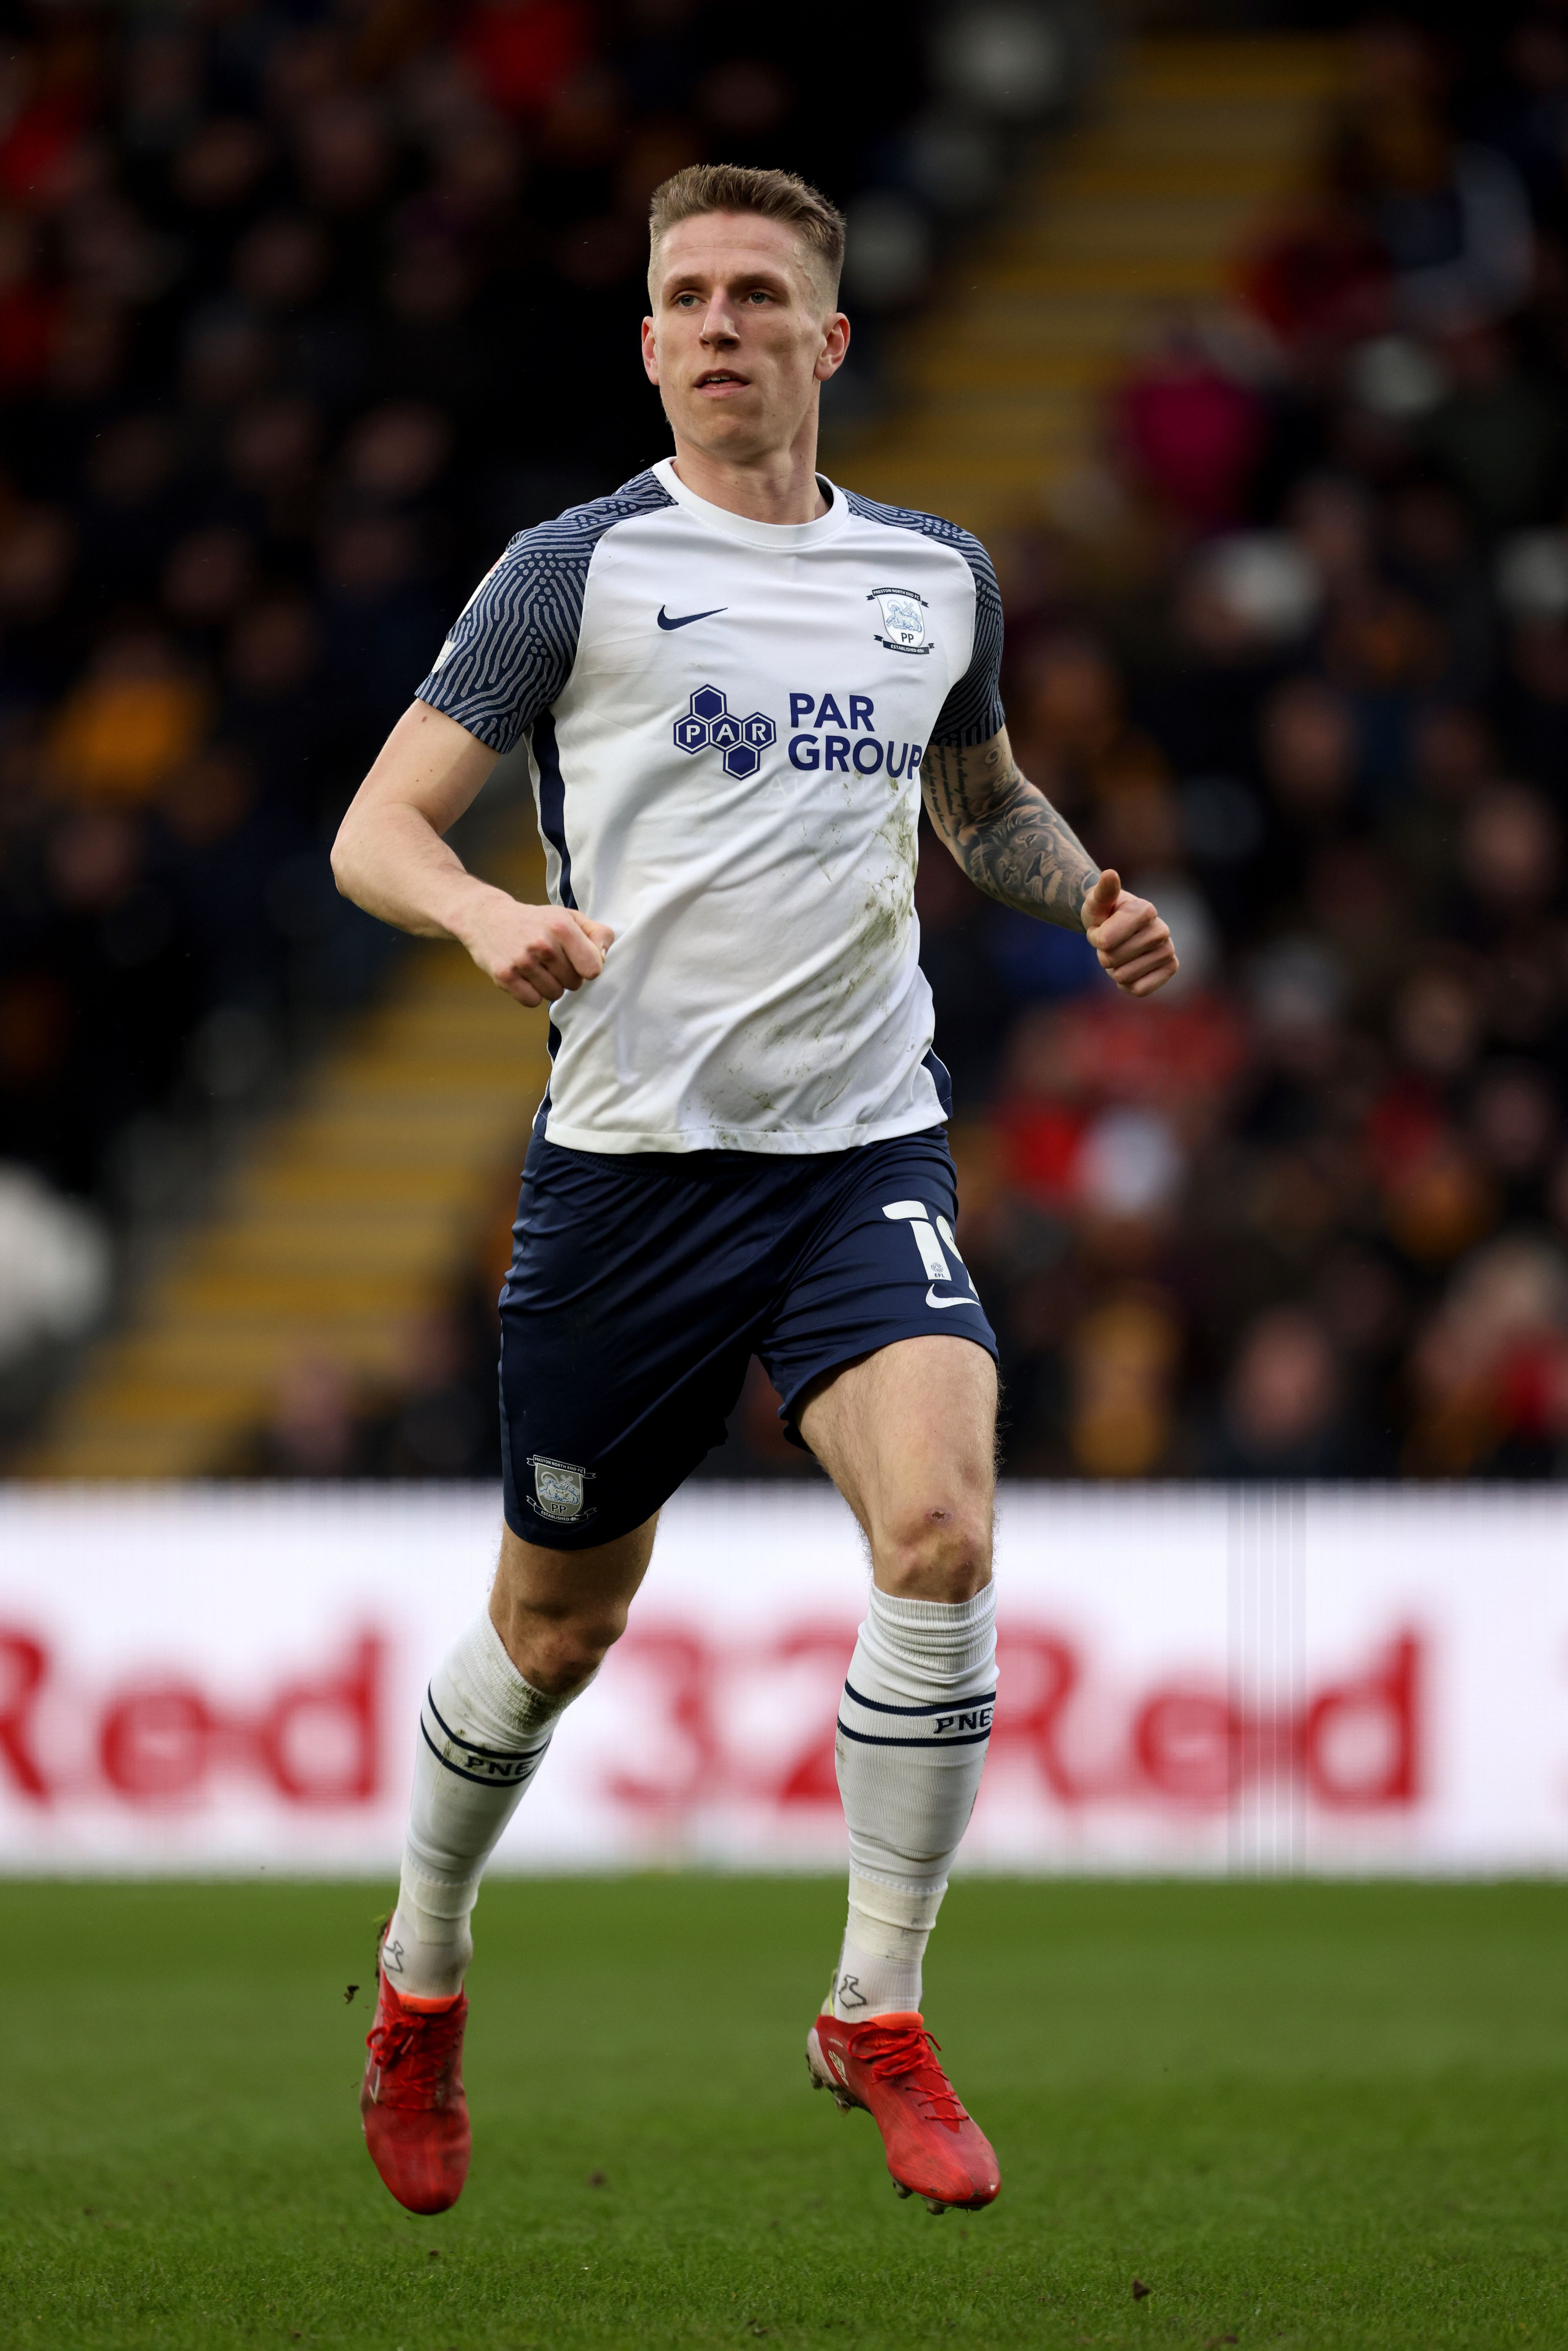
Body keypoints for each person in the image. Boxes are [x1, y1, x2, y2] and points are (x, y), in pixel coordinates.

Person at [331, 163, 1178, 2222]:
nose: (718, 325)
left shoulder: (931, 578)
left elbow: (973, 800)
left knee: (948, 1528)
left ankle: (874, 2005)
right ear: (648, 344)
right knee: (550, 1633)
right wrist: (478, 914)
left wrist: (1082, 891)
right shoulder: (577, 571)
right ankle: (420, 1973)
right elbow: (375, 827)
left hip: (855, 1150)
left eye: (755, 296)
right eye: (685, 297)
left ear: (829, 338)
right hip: (627, 1180)